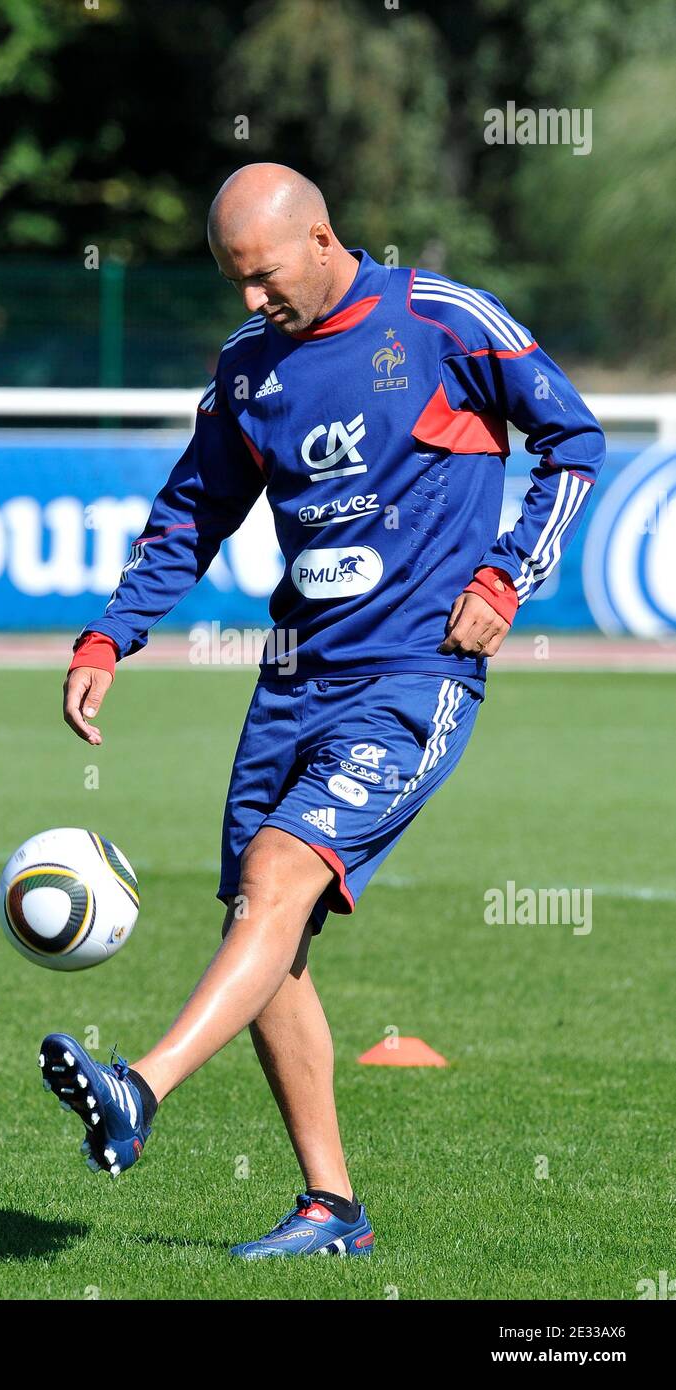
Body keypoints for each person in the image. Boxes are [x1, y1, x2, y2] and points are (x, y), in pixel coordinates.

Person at [39, 162, 605, 1259]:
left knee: (278, 880)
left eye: (262, 277)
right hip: (293, 678)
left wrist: (506, 577)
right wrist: (112, 634)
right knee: (270, 938)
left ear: (320, 236)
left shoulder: (439, 321)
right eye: (233, 283)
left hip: (413, 673)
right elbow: (190, 512)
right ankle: (332, 1208)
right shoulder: (251, 367)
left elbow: (573, 441)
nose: (251, 302)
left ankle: (140, 1087)